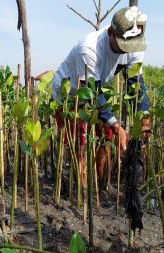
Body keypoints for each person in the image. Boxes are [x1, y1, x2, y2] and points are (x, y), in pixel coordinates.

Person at [50, 6, 150, 190]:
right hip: (69, 94)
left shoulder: (135, 44)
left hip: (95, 91)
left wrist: (144, 122)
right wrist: (118, 125)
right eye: (123, 45)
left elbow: (136, 85)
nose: (126, 51)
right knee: (79, 142)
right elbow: (92, 91)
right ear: (111, 32)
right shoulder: (89, 47)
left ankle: (100, 187)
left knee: (106, 139)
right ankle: (82, 190)